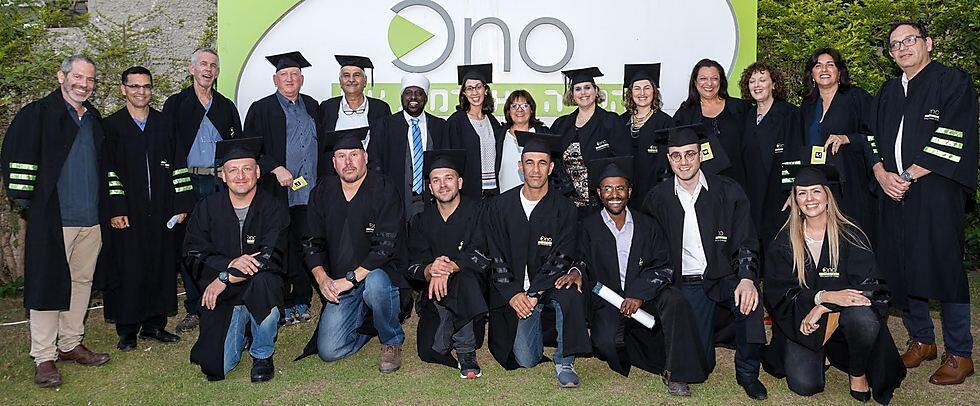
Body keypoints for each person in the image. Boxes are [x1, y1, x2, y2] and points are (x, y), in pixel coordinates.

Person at [868, 21, 978, 385]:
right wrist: (881, 173)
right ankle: (922, 340)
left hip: (936, 188)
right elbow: (871, 137)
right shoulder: (888, 90)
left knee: (943, 264)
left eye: (909, 40)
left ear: (928, 43)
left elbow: (953, 134)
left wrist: (908, 175)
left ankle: (959, 353)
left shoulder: (952, 81)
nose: (902, 48)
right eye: (895, 44)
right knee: (901, 263)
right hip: (892, 189)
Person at [0, 54, 110, 388]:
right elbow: (16, 159)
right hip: (53, 218)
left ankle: (71, 343)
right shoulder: (36, 114)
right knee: (47, 284)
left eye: (89, 79)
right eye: (78, 77)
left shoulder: (93, 118)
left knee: (81, 282)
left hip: (91, 218)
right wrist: (30, 204)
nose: (83, 84)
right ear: (61, 76)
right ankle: (44, 356)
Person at [643, 124, 768, 400]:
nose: (684, 162)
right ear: (668, 158)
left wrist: (747, 278)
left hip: (725, 276)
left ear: (701, 154)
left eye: (690, 154)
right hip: (686, 283)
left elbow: (746, 239)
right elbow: (651, 250)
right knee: (700, 367)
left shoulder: (728, 191)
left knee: (750, 303)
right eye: (676, 155)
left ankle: (748, 373)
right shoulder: (658, 198)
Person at [764, 164, 906, 403]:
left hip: (845, 321)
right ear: (795, 200)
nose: (810, 199)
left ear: (828, 196)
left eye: (816, 191)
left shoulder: (850, 235)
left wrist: (824, 306)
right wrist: (823, 296)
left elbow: (874, 288)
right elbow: (779, 294)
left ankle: (857, 371)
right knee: (805, 385)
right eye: (802, 193)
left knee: (862, 317)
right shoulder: (784, 242)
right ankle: (824, 353)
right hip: (803, 325)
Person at [578, 156, 709, 396]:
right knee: (606, 343)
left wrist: (638, 294)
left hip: (645, 297)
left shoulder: (648, 225)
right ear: (599, 192)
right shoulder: (587, 227)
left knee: (674, 299)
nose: (614, 194)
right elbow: (582, 265)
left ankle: (676, 372)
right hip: (608, 301)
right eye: (607, 188)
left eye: (620, 188)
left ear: (629, 191)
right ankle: (634, 340)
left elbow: (664, 264)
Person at [298, 127, 409, 373]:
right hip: (340, 281)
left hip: (378, 275)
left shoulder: (384, 189)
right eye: (341, 156)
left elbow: (385, 247)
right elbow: (310, 241)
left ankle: (391, 339)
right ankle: (368, 325)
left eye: (354, 154)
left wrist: (350, 279)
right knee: (329, 351)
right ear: (333, 162)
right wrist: (322, 278)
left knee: (376, 286)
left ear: (365, 157)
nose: (348, 162)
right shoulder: (322, 192)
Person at [484, 131, 590, 388]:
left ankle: (565, 361)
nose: (535, 169)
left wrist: (534, 293)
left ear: (551, 168)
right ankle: (538, 323)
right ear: (520, 167)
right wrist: (513, 293)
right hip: (514, 292)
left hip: (546, 288)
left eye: (542, 163)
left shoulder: (564, 208)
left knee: (570, 293)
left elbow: (562, 256)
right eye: (529, 162)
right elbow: (495, 254)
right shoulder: (500, 206)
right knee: (526, 358)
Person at [102, 66, 193, 351]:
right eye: (134, 86)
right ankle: (127, 329)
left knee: (160, 266)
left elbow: (179, 164)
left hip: (162, 210)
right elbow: (108, 172)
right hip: (128, 212)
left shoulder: (165, 123)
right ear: (123, 89)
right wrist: (116, 208)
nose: (141, 92)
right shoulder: (111, 126)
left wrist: (182, 203)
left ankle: (154, 325)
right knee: (128, 268)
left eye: (146, 86)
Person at [183, 137, 289, 382]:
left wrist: (225, 277)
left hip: (259, 288)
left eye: (247, 169)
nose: (240, 176)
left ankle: (262, 353)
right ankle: (242, 322)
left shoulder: (273, 208)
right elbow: (193, 252)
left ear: (258, 172)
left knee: (265, 283)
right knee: (216, 367)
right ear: (223, 175)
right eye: (233, 170)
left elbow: (270, 256)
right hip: (224, 295)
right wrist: (227, 267)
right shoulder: (207, 208)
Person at [163, 47, 243, 333]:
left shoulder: (226, 106)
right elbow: (167, 148)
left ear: (217, 72)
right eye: (203, 64)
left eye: (213, 65)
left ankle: (224, 297)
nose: (208, 70)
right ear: (192, 68)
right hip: (188, 182)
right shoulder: (176, 104)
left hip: (220, 183)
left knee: (223, 241)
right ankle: (195, 306)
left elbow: (238, 147)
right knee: (190, 244)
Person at [244, 51, 319, 325]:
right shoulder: (261, 108)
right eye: (284, 75)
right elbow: (250, 149)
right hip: (277, 193)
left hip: (309, 192)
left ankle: (302, 298)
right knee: (279, 246)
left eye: (294, 75)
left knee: (306, 245)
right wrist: (275, 167)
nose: (289, 79)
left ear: (302, 79)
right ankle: (282, 301)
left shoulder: (313, 106)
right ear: (275, 80)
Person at [408, 149, 490, 378]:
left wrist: (450, 266)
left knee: (464, 279)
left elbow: (485, 254)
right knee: (429, 351)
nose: (443, 185)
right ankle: (446, 317)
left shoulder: (479, 212)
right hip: (435, 293)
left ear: (460, 182)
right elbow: (412, 264)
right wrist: (430, 269)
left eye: (448, 178)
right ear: (429, 187)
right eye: (436, 180)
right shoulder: (421, 220)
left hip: (472, 291)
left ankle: (466, 350)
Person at [799, 48, 877, 243]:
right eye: (818, 66)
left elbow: (878, 135)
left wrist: (849, 138)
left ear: (839, 71)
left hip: (851, 181)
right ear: (812, 74)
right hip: (818, 186)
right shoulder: (807, 105)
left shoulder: (857, 98)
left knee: (853, 238)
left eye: (830, 65)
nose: (824, 70)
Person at [550, 67, 630, 218]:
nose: (583, 93)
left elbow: (622, 161)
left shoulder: (611, 122)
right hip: (566, 203)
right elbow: (553, 160)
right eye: (578, 89)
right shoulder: (561, 125)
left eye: (587, 87)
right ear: (572, 95)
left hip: (600, 203)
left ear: (596, 91)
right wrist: (564, 187)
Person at [738, 61, 802, 247]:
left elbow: (794, 153)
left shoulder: (789, 114)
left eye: (762, 80)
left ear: (774, 84)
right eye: (752, 81)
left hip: (779, 193)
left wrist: (793, 191)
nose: (757, 85)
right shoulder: (746, 116)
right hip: (752, 193)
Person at [368, 73, 449, 220]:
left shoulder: (440, 126)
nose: (413, 97)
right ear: (401, 97)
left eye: (419, 93)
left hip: (432, 203)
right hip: (394, 203)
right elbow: (374, 162)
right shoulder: (386, 125)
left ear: (426, 98)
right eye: (408, 93)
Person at [673, 59, 751, 186]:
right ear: (695, 82)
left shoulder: (740, 108)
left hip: (740, 182)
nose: (709, 83)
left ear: (721, 81)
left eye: (714, 78)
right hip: (702, 184)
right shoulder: (685, 113)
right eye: (703, 78)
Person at [316, 55, 392, 155]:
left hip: (372, 164)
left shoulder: (380, 108)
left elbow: (388, 144)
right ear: (340, 81)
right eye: (346, 75)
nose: (351, 80)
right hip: (333, 164)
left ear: (365, 80)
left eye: (357, 75)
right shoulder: (327, 107)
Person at [447, 64, 502, 199]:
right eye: (469, 88)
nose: (475, 93)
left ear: (486, 90)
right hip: (468, 192)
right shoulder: (456, 122)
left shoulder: (492, 121)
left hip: (493, 191)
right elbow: (450, 159)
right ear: (464, 93)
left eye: (478, 87)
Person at [620, 63, 673, 204]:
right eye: (637, 88)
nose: (642, 93)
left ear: (654, 92)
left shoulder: (665, 122)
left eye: (647, 88)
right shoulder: (620, 121)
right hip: (626, 193)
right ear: (631, 93)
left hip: (654, 191)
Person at [495, 90, 549, 194]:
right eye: (514, 106)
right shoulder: (498, 136)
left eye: (525, 106)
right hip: (504, 198)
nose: (519, 110)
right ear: (508, 111)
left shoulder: (543, 134)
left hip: (538, 198)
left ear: (531, 110)